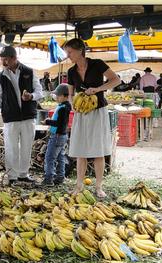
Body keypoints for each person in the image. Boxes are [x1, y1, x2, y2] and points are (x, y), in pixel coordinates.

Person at [63, 38, 120, 198]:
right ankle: (79, 185)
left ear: (80, 50)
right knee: (81, 150)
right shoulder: (71, 71)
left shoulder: (98, 64)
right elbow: (70, 93)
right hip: (81, 113)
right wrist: (72, 104)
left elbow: (116, 80)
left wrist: (98, 89)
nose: (68, 56)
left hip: (98, 111)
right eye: (67, 52)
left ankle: (99, 186)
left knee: (98, 150)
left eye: (70, 52)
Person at [0, 45, 44, 185]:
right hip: (10, 116)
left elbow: (40, 92)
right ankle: (12, 177)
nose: (3, 63)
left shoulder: (29, 72)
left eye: (5, 59)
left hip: (28, 116)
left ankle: (23, 174)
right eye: (2, 60)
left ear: (14, 58)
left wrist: (31, 96)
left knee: (27, 146)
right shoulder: (1, 77)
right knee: (11, 146)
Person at [40, 84, 72, 186]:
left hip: (57, 136)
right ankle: (60, 178)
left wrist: (48, 122)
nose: (56, 97)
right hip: (62, 136)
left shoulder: (63, 108)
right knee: (60, 157)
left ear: (65, 96)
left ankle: (49, 179)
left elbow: (59, 123)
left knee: (49, 158)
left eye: (58, 96)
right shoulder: (64, 106)